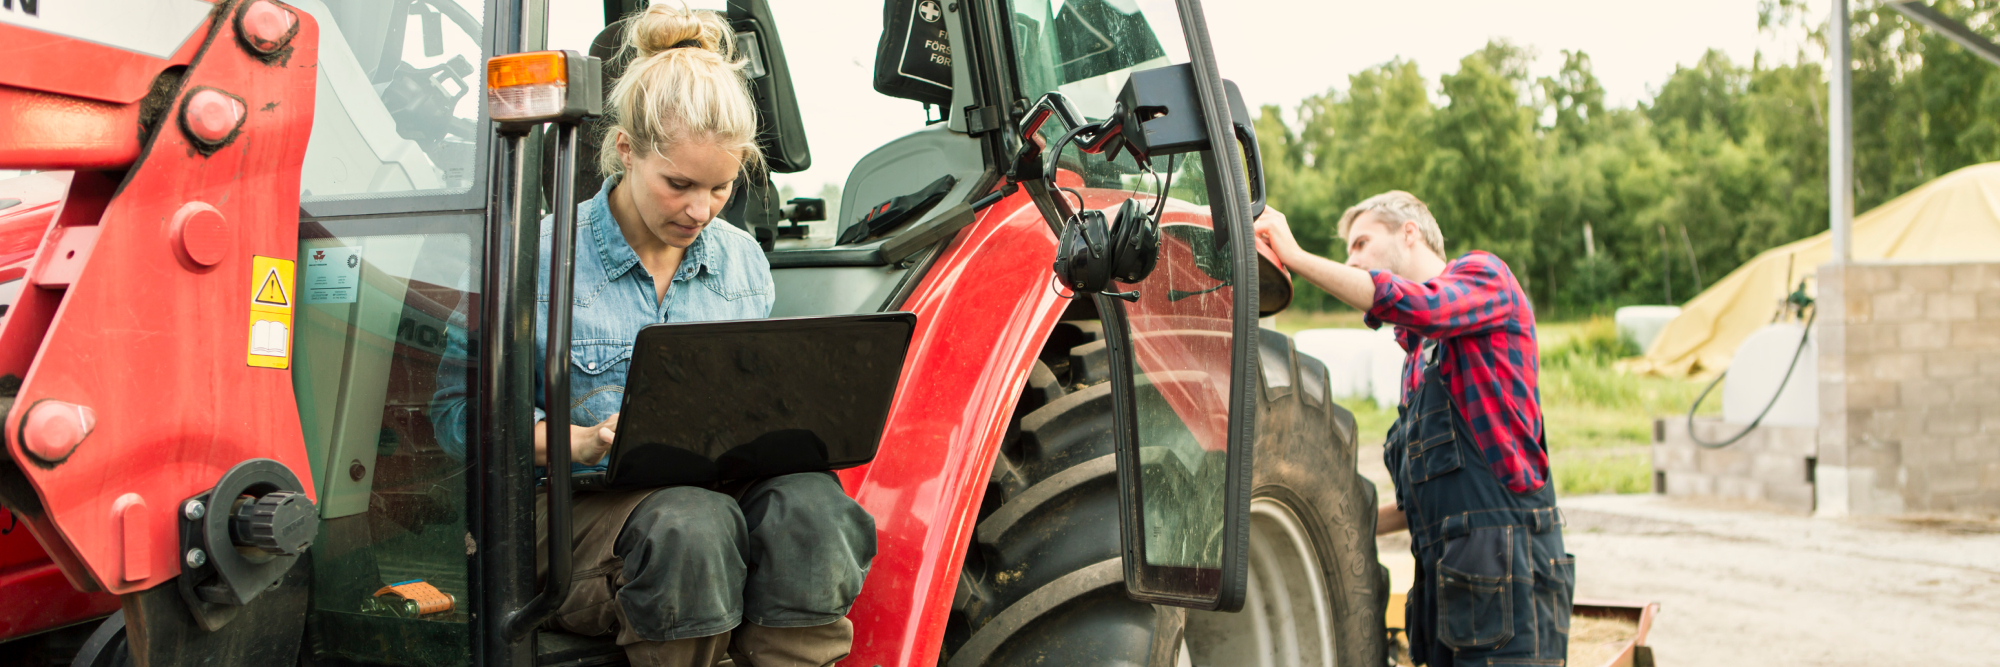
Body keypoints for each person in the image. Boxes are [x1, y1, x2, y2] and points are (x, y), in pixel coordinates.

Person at [430, 7, 875, 666]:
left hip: (712, 501)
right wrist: (577, 441)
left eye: (721, 187)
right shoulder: (534, 256)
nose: (701, 209)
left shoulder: (743, 258)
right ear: (626, 151)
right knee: (689, 527)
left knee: (815, 511)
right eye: (679, 185)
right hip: (570, 512)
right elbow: (456, 417)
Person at [1255, 192, 1571, 666]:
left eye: (1361, 243)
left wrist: (1296, 258)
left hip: (1506, 568)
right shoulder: (1416, 360)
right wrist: (1316, 524)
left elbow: (1423, 306)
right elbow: (1422, 506)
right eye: (1349, 252)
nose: (1353, 259)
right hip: (1447, 581)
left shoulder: (1486, 278)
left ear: (1409, 232)